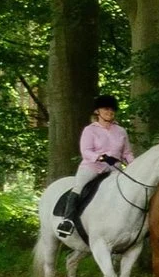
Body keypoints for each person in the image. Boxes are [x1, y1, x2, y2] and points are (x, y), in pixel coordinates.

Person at [52, 94, 130, 241]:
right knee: (79, 187)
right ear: (97, 111)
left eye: (112, 109)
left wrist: (133, 165)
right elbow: (86, 151)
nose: (110, 112)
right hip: (93, 167)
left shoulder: (121, 131)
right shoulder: (90, 130)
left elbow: (127, 153)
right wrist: (100, 157)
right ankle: (67, 221)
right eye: (106, 109)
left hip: (114, 170)